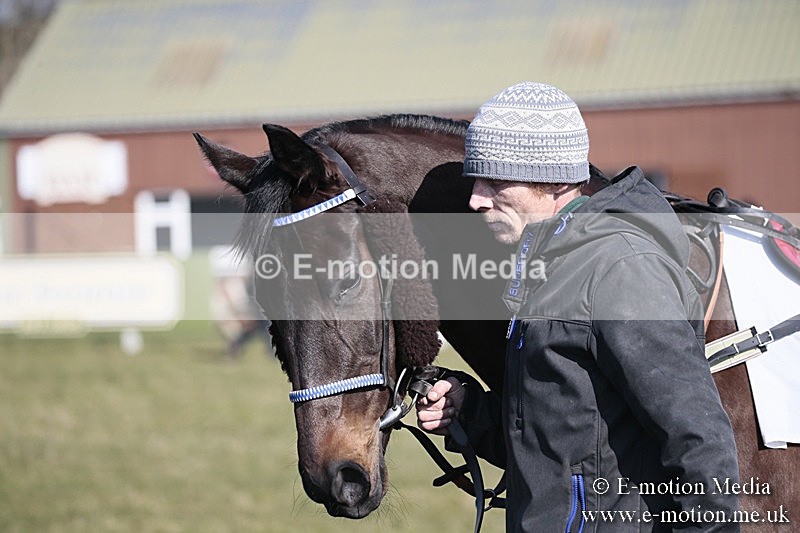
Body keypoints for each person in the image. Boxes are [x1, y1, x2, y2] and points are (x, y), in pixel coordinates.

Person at [416, 82, 740, 531]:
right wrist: (468, 411)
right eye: (475, 179)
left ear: (557, 180)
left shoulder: (622, 269)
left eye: (495, 179)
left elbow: (699, 441)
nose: (475, 198)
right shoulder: (548, 267)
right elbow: (558, 439)